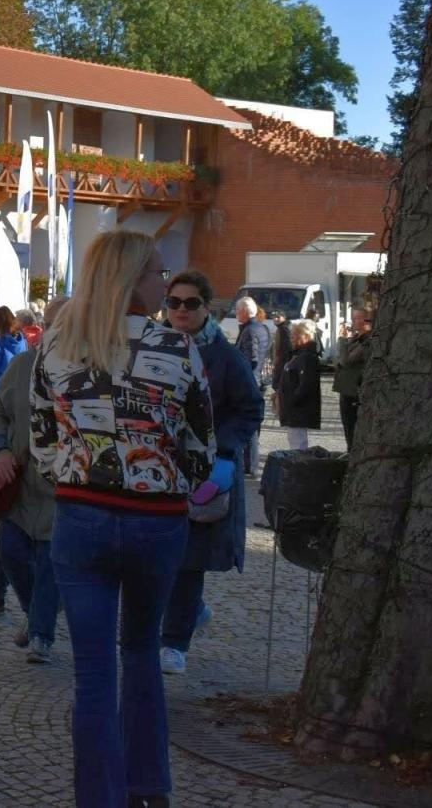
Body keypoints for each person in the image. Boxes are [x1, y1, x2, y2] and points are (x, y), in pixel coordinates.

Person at [30, 230, 214, 808]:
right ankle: (149, 786)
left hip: (81, 516)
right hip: (155, 522)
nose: (166, 283)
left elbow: (40, 440)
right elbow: (202, 447)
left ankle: (99, 799)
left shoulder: (58, 342)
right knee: (140, 653)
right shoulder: (178, 347)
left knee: (92, 674)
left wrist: (77, 469)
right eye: (158, 273)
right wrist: (163, 472)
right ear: (133, 279)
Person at [158, 271, 263, 676]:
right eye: (174, 302)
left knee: (189, 559)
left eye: (191, 303)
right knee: (156, 555)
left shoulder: (225, 356)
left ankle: (174, 642)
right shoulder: (152, 344)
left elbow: (250, 408)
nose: (181, 310)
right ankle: (190, 614)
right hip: (157, 466)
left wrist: (224, 450)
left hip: (206, 471)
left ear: (206, 308)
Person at [0, 295, 67, 664]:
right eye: (50, 325)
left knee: (53, 564)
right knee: (12, 551)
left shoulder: (93, 371)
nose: (55, 333)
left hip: (65, 490)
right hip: (20, 483)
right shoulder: (22, 365)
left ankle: (41, 635)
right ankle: (37, 617)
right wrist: (0, 450)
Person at [233, 296, 273, 475]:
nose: (235, 313)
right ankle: (251, 463)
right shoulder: (263, 327)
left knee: (248, 425)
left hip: (250, 383)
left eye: (237, 310)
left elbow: (252, 359)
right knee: (253, 425)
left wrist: (240, 376)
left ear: (243, 312)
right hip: (259, 382)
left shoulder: (249, 331)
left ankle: (249, 464)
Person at [276, 319, 323, 450]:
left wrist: (290, 400)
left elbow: (305, 386)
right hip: (293, 408)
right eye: (292, 335)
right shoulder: (297, 355)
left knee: (298, 443)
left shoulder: (307, 357)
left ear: (306, 336)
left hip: (298, 409)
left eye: (296, 335)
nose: (292, 338)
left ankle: (298, 466)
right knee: (295, 440)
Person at [332, 307, 372, 451]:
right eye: (353, 318)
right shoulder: (356, 339)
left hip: (354, 390)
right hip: (346, 389)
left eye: (357, 318)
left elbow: (346, 361)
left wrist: (342, 340)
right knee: (348, 427)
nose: (354, 322)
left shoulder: (367, 340)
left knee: (352, 427)